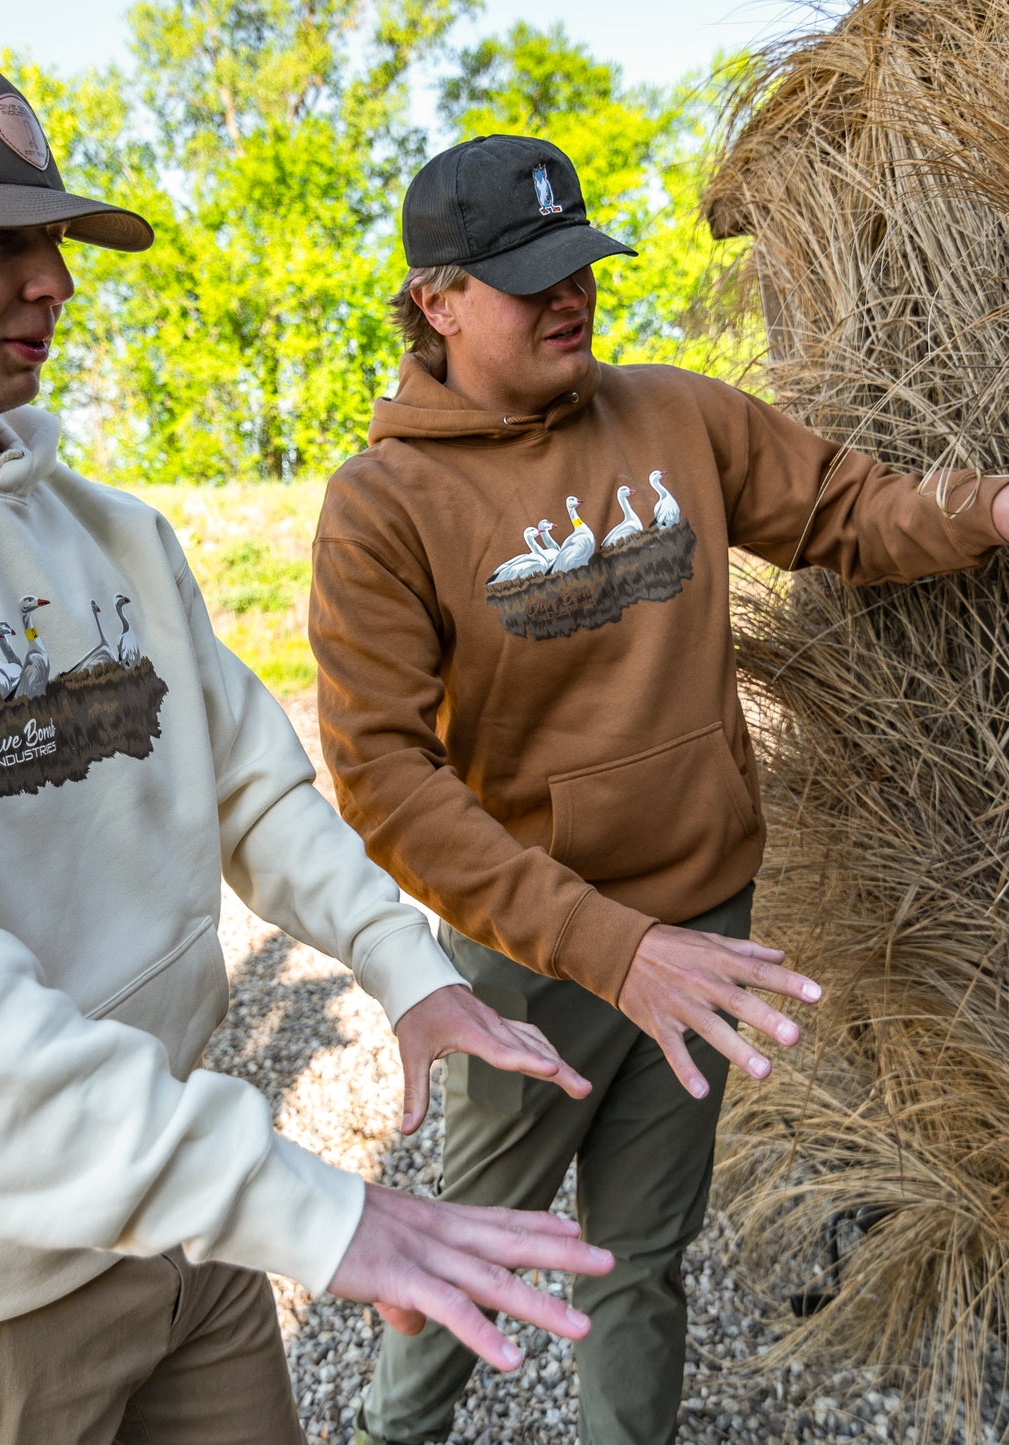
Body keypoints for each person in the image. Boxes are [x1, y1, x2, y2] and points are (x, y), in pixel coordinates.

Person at [0, 61, 617, 1445]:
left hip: (174, 1240)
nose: (55, 283)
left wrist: (404, 970)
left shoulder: (109, 534)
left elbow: (252, 786)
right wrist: (307, 1207)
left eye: (53, 241)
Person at [309, 133, 1009, 1445]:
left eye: (578, 261)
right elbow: (382, 778)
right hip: (537, 956)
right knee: (481, 1250)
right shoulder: (383, 504)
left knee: (642, 1253)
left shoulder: (677, 415)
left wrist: (987, 507)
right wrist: (603, 948)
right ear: (438, 299)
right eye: (528, 276)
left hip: (706, 923)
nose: (569, 293)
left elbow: (848, 513)